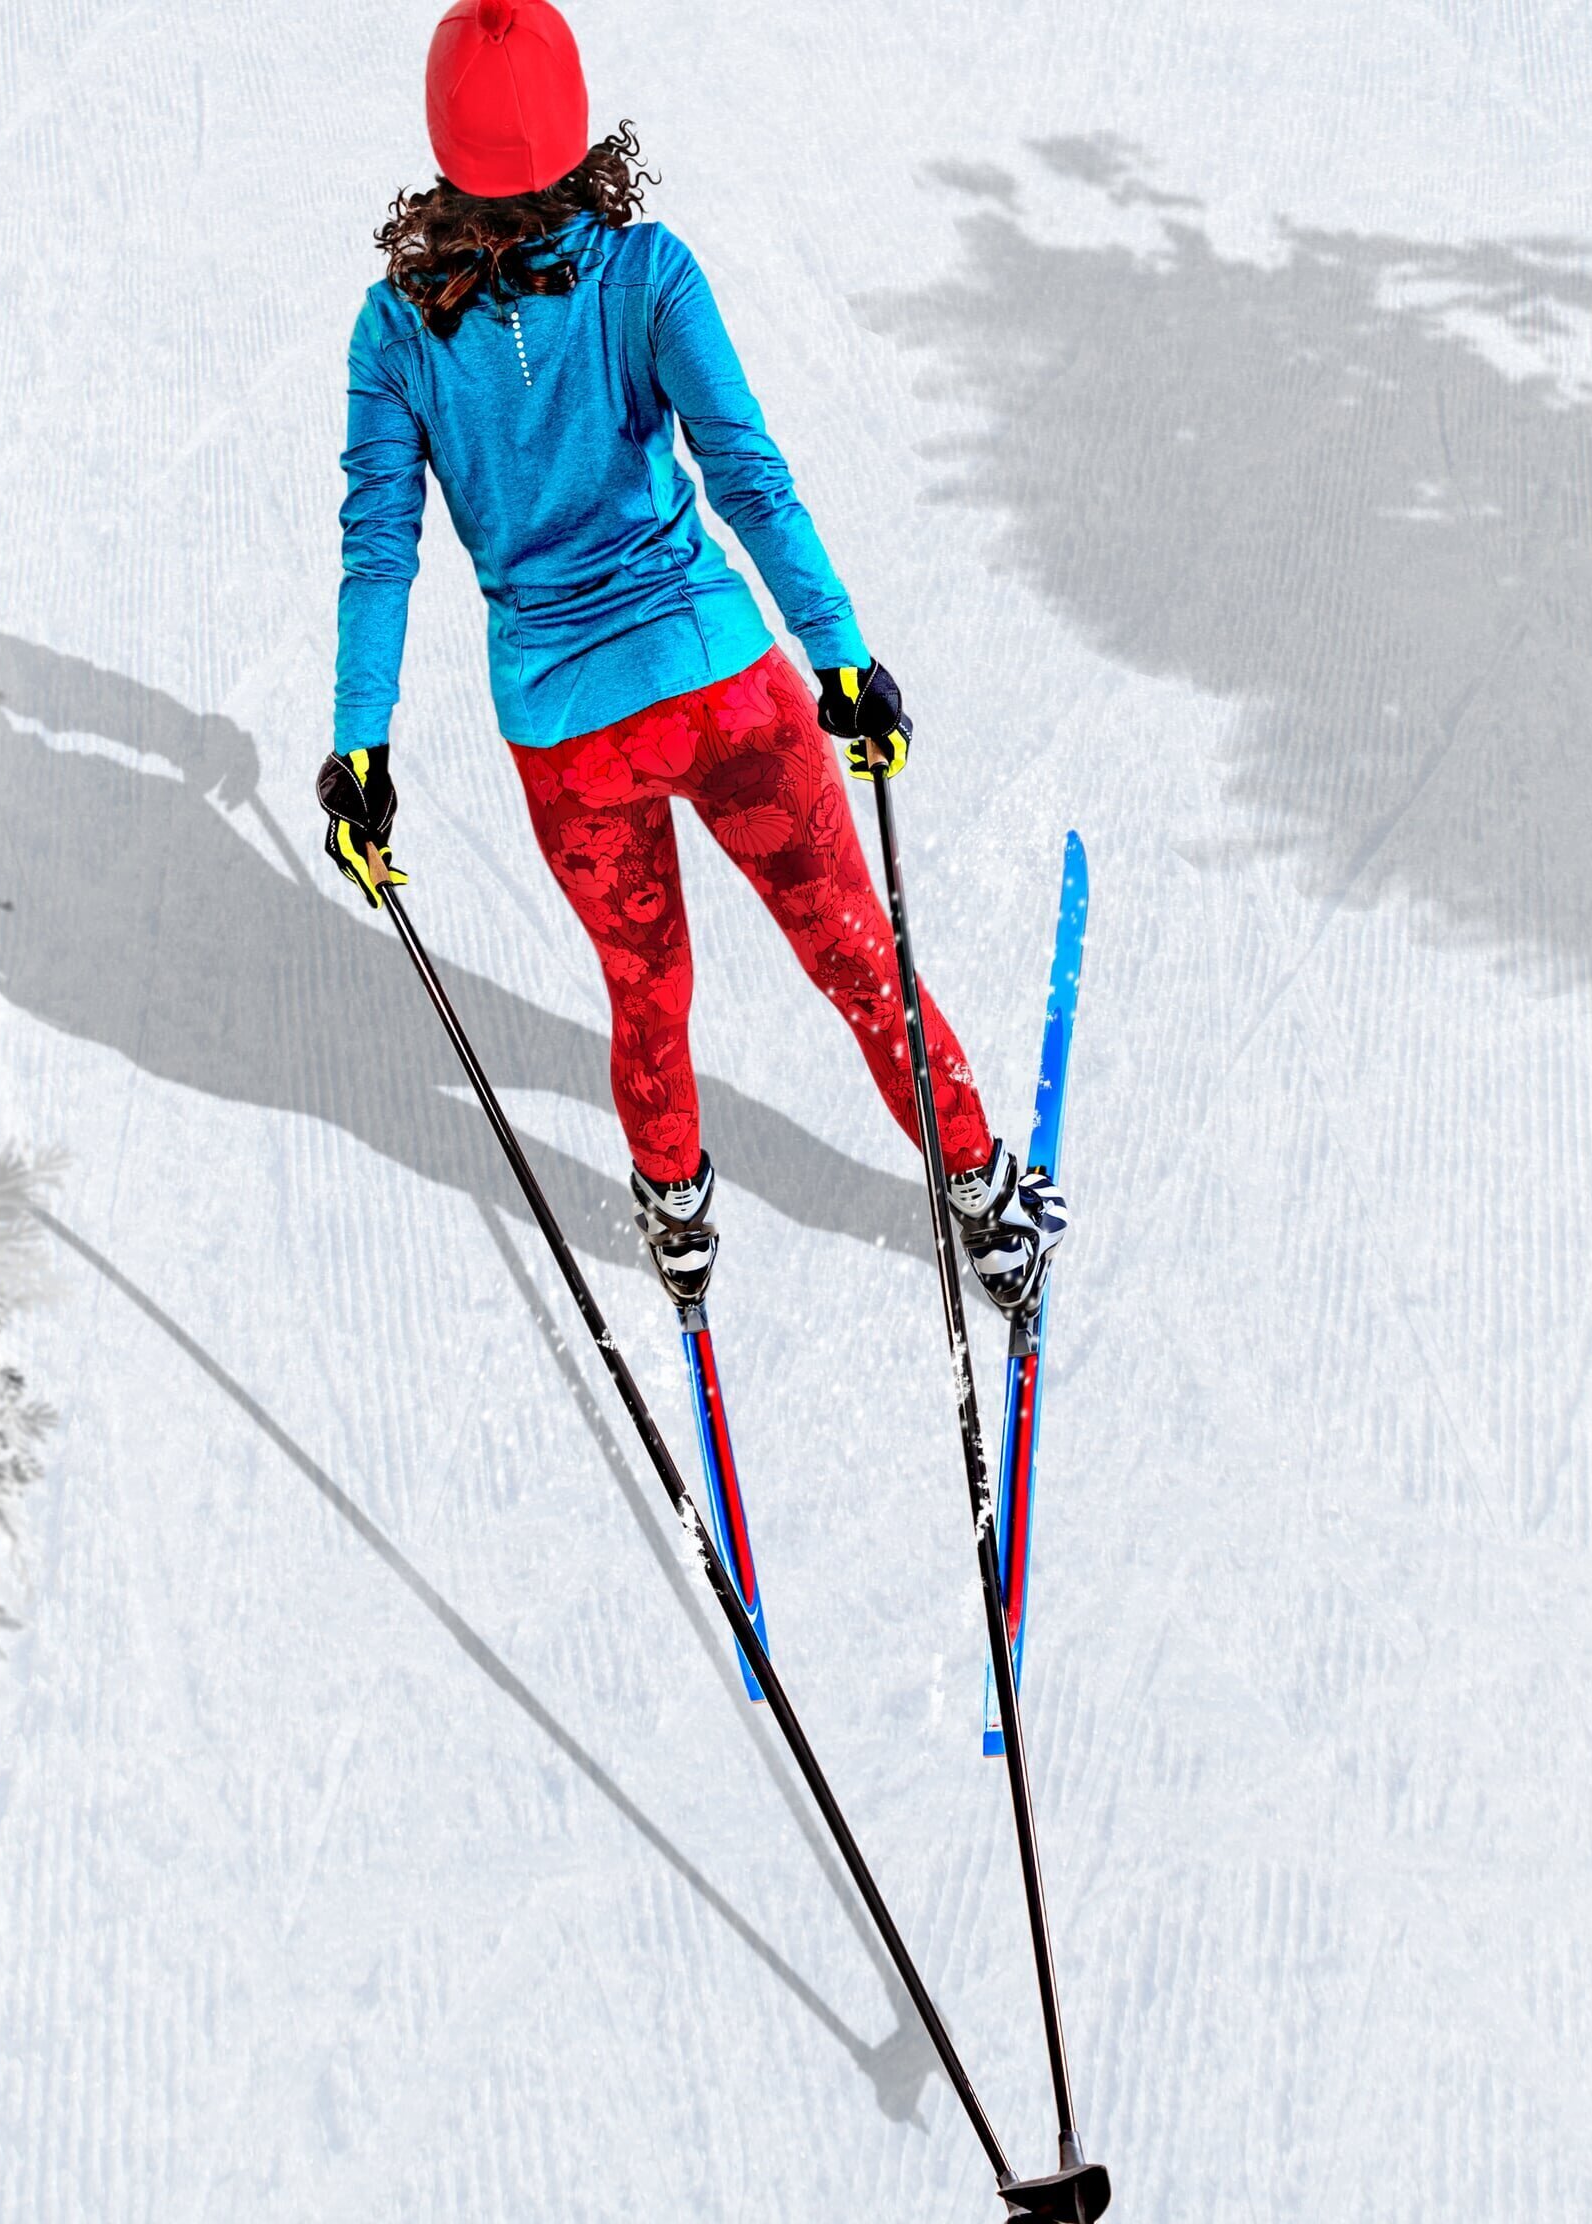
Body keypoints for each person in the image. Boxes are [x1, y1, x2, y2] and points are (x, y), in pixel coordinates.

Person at [318, 0, 1058, 1313]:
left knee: (645, 985)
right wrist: (836, 653)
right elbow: (745, 473)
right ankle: (983, 1198)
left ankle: (675, 1211)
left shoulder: (396, 333)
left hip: (566, 736)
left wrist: (361, 746)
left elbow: (381, 550)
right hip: (722, 690)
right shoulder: (648, 270)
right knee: (848, 943)